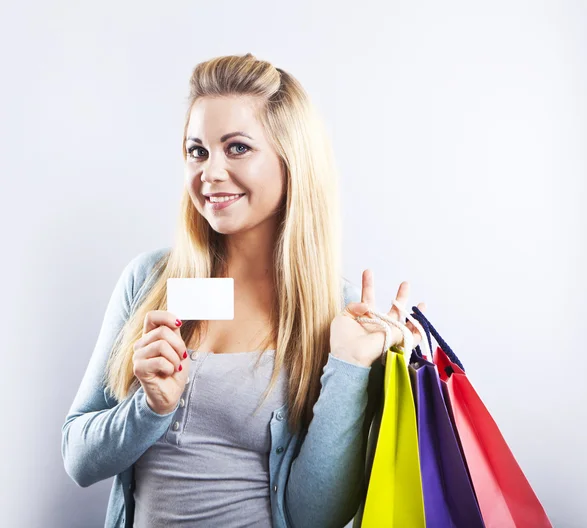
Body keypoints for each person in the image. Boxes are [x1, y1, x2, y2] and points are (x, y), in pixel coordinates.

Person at [61, 53, 426, 528]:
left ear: (291, 160)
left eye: (236, 148)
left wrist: (350, 366)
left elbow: (315, 517)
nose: (209, 173)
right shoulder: (151, 281)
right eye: (198, 151)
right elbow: (78, 458)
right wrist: (150, 408)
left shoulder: (336, 313)